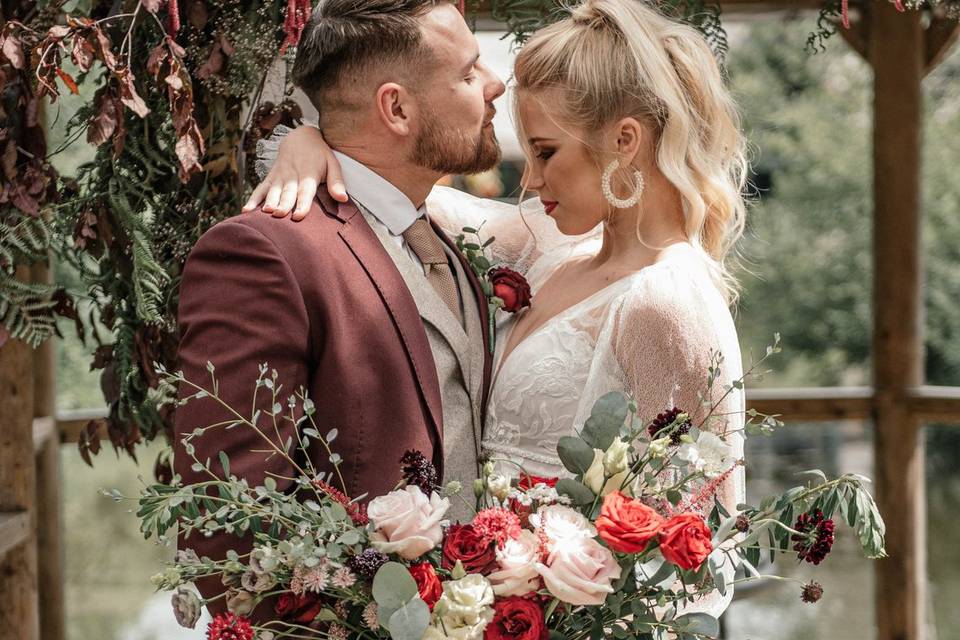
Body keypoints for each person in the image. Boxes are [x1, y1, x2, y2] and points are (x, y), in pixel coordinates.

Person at [250, 0, 749, 617]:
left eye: (545, 152)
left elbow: (696, 552)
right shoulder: (547, 247)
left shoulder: (666, 300)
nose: (530, 182)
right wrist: (306, 140)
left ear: (625, 140)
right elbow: (389, 192)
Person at [174, 0, 504, 616]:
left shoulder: (445, 237)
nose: (495, 84)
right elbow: (226, 522)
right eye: (468, 72)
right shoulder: (262, 254)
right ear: (396, 108)